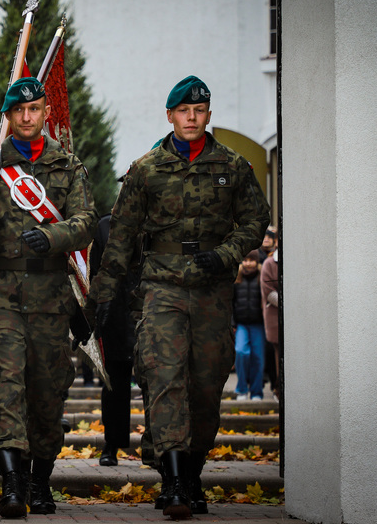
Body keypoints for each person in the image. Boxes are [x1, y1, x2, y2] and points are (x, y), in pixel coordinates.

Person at [90, 75, 270, 519]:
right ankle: (172, 482)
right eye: (184, 111)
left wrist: (227, 254)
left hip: (211, 290)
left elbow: (255, 220)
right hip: (162, 287)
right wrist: (103, 298)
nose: (192, 118)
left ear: (209, 114)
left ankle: (192, 474)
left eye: (200, 110)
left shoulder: (233, 165)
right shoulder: (145, 169)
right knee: (166, 378)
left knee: (206, 387)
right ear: (169, 116)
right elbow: (121, 238)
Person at [0, 77, 98, 518]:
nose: (28, 117)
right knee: (6, 388)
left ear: (45, 113)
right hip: (0, 300)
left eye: (35, 109)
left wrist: (52, 236)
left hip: (52, 300)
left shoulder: (68, 165)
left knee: (48, 392)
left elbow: (87, 220)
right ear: (9, 117)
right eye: (20, 111)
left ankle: (40, 479)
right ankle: (12, 483)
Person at [89, 214, 139, 469]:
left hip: (149, 306)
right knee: (114, 384)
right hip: (114, 313)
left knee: (162, 382)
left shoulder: (155, 219)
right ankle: (112, 444)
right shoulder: (105, 225)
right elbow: (94, 269)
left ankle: (158, 446)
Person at [232, 249, 266, 401]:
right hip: (241, 324)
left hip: (258, 324)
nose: (248, 263)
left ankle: (257, 392)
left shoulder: (261, 277)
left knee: (258, 357)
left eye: (251, 260)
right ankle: (241, 389)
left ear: (256, 261)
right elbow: (231, 302)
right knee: (241, 352)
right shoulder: (237, 278)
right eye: (245, 260)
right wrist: (232, 322)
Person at [260, 242, 280, 399]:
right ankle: (277, 388)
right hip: (274, 317)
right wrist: (291, 303)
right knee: (277, 355)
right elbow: (268, 291)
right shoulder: (269, 264)